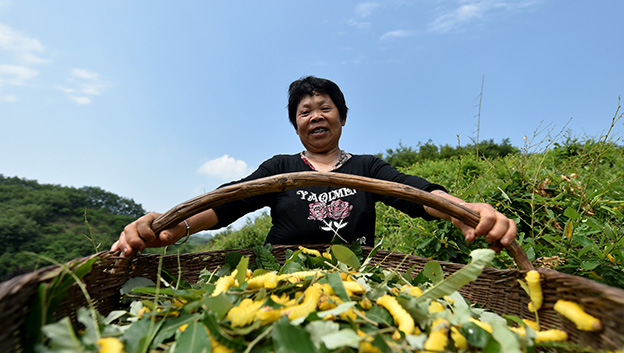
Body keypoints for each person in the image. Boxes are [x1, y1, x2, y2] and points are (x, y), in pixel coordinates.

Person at [112, 76, 516, 256]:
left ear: (342, 116)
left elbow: (414, 192)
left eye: (326, 107)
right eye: (305, 111)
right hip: (280, 275)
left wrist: (465, 212)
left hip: (356, 279)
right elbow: (227, 203)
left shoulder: (365, 167)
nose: (316, 116)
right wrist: (173, 224)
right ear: (296, 125)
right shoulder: (281, 166)